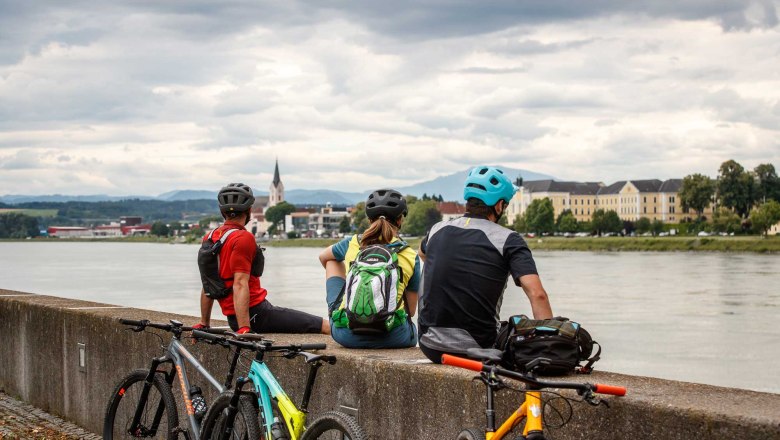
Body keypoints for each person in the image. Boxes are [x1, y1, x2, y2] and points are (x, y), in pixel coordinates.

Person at [417, 166, 553, 363]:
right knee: (519, 330)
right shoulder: (509, 239)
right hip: (479, 348)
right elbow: (537, 294)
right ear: (499, 206)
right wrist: (550, 346)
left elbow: (423, 254)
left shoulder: (437, 229)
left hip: (430, 345)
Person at [194, 183, 329, 335]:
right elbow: (240, 283)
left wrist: (204, 323)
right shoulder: (243, 237)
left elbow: (208, 283)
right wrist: (244, 328)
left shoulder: (210, 237)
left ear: (222, 211)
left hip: (233, 319)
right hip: (257, 315)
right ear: (249, 210)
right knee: (324, 325)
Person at [318, 189, 420, 348]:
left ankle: (344, 311)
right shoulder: (410, 255)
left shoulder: (353, 243)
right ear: (400, 220)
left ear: (369, 219)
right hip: (394, 338)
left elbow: (323, 257)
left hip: (347, 336)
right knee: (410, 324)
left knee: (332, 261)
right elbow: (410, 311)